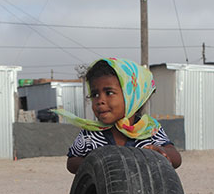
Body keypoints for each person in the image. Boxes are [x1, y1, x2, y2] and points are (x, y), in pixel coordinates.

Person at [53, 57, 182, 174]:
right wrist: (94, 164)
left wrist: (163, 154)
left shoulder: (149, 130)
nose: (100, 100)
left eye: (109, 92)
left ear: (131, 96)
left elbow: (176, 158)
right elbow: (72, 162)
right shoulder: (90, 134)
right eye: (95, 95)